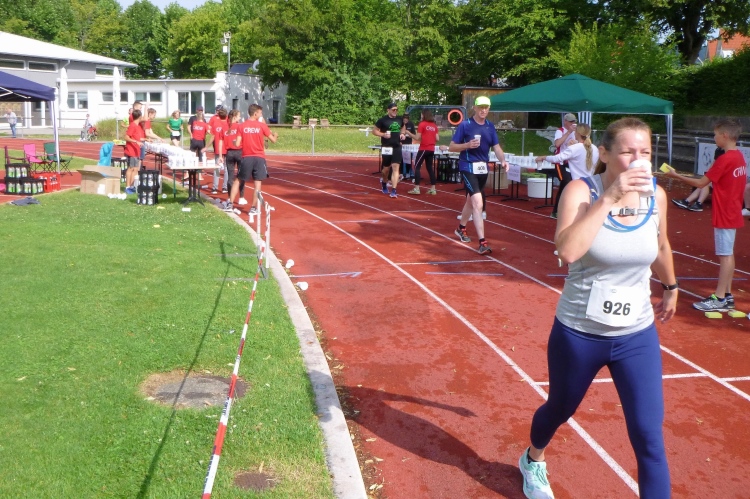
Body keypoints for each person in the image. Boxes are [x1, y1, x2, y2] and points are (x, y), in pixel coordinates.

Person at [519, 117, 677, 499]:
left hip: (636, 335)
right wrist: (609, 198)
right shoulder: (581, 191)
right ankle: (533, 458)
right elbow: (568, 251)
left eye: (645, 152)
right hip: (580, 333)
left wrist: (671, 286)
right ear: (604, 154)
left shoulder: (656, 196)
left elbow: (660, 245)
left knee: (648, 435)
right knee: (560, 408)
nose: (638, 160)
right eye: (627, 152)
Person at [665, 118, 746, 311]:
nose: (714, 138)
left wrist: (675, 175)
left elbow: (701, 183)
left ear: (724, 135)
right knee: (728, 254)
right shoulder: (739, 157)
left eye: (716, 135)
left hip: (725, 212)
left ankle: (719, 298)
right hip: (732, 209)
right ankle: (726, 295)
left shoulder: (726, 159)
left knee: (725, 255)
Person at [449, 96, 509, 255]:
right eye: (480, 107)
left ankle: (461, 228)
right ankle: (482, 242)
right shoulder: (465, 125)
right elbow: (452, 147)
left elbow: (496, 147)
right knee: (477, 202)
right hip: (467, 166)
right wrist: (467, 145)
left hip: (483, 169)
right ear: (474, 108)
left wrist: (503, 160)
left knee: (470, 201)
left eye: (486, 107)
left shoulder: (490, 126)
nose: (483, 110)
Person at [222, 104, 278, 214]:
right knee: (257, 183)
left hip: (246, 157)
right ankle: (253, 208)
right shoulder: (262, 126)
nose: (261, 115)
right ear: (255, 113)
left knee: (238, 180)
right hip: (259, 157)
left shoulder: (241, 126)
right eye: (260, 113)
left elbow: (237, 143)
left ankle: (230, 204)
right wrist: (275, 135)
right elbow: (273, 140)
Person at [534, 123, 598, 180]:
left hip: (578, 182)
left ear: (578, 133)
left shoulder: (575, 148)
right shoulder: (595, 148)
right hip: (591, 181)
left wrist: (543, 157)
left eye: (575, 131)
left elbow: (557, 158)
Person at [672, 148, 723, 212]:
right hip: (716, 178)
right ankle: (688, 201)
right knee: (704, 183)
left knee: (705, 183)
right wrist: (708, 172)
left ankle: (696, 203)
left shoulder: (726, 153)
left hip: (723, 181)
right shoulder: (718, 150)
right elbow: (714, 163)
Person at [550, 113, 579, 219]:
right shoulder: (560, 131)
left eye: (574, 121)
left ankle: (564, 209)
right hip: (560, 162)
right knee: (565, 182)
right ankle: (556, 211)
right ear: (565, 121)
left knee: (571, 184)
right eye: (571, 121)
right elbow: (557, 144)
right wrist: (568, 132)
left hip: (571, 162)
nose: (573, 123)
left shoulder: (576, 131)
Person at [373, 102, 406, 198]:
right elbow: (374, 131)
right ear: (388, 110)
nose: (395, 111)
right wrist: (383, 134)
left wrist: (402, 134)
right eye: (393, 110)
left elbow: (403, 127)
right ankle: (384, 182)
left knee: (396, 168)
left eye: (396, 110)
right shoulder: (383, 120)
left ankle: (394, 190)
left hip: (397, 146)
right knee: (386, 169)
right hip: (387, 147)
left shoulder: (399, 119)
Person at [406, 109, 441, 195]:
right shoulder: (434, 125)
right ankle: (433, 188)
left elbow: (417, 137)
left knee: (417, 166)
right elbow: (437, 138)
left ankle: (417, 188)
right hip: (431, 149)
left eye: (421, 115)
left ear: (424, 115)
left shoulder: (422, 124)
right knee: (429, 168)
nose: (421, 116)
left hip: (424, 148)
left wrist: (408, 133)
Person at [224, 109, 246, 204]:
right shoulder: (240, 126)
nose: (240, 118)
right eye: (239, 116)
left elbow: (221, 141)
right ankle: (241, 197)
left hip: (229, 153)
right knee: (241, 175)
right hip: (239, 152)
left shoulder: (224, 127)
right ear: (235, 117)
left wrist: (220, 154)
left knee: (230, 176)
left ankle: (230, 197)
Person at [124, 109, 146, 195]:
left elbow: (137, 137)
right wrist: (136, 142)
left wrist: (146, 139)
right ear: (140, 117)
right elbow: (126, 137)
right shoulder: (132, 125)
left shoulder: (137, 126)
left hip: (136, 150)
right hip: (131, 150)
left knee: (135, 169)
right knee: (131, 168)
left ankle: (132, 186)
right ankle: (127, 187)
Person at [207, 106, 229, 194]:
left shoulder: (216, 124)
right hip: (227, 148)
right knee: (226, 168)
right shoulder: (229, 123)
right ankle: (224, 187)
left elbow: (212, 135)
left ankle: (215, 188)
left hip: (218, 147)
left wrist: (206, 146)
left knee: (217, 168)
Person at [401, 114, 416, 179]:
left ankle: (408, 172)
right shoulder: (400, 124)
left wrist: (409, 134)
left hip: (408, 144)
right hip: (401, 144)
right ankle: (401, 173)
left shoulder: (411, 124)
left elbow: (414, 134)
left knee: (408, 159)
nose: (405, 120)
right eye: (404, 119)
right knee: (401, 159)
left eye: (406, 119)